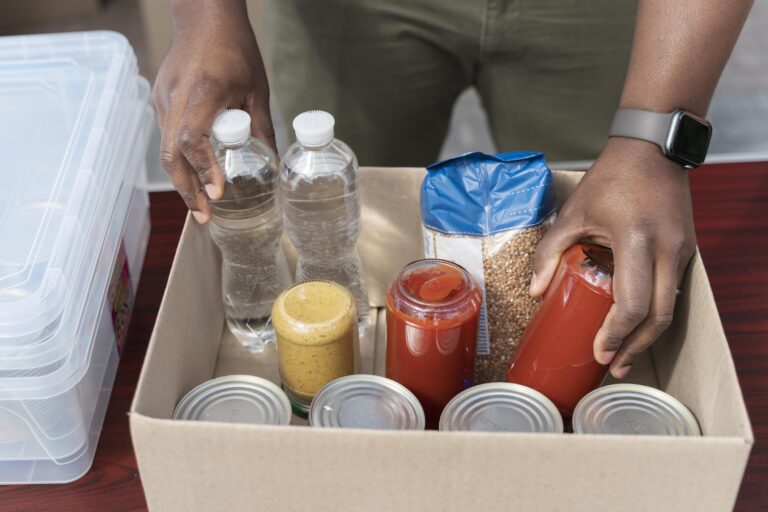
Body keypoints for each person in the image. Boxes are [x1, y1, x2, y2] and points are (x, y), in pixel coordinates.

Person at [153, 0, 753, 379]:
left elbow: (637, 172)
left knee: (603, 230)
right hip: (351, 13)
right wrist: (207, 15)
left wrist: (654, 139)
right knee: (359, 199)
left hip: (598, 15)